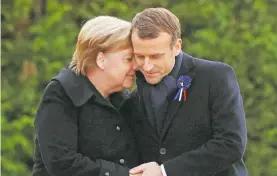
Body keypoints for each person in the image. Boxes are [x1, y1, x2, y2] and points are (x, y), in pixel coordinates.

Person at [121, 8, 248, 176]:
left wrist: (165, 171)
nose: (147, 66)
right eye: (140, 56)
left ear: (177, 47)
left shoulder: (216, 76)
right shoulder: (131, 101)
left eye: (155, 56)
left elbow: (231, 144)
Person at [32, 16, 140, 176]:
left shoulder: (122, 97)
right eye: (128, 59)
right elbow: (62, 163)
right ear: (101, 60)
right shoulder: (61, 94)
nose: (136, 66)